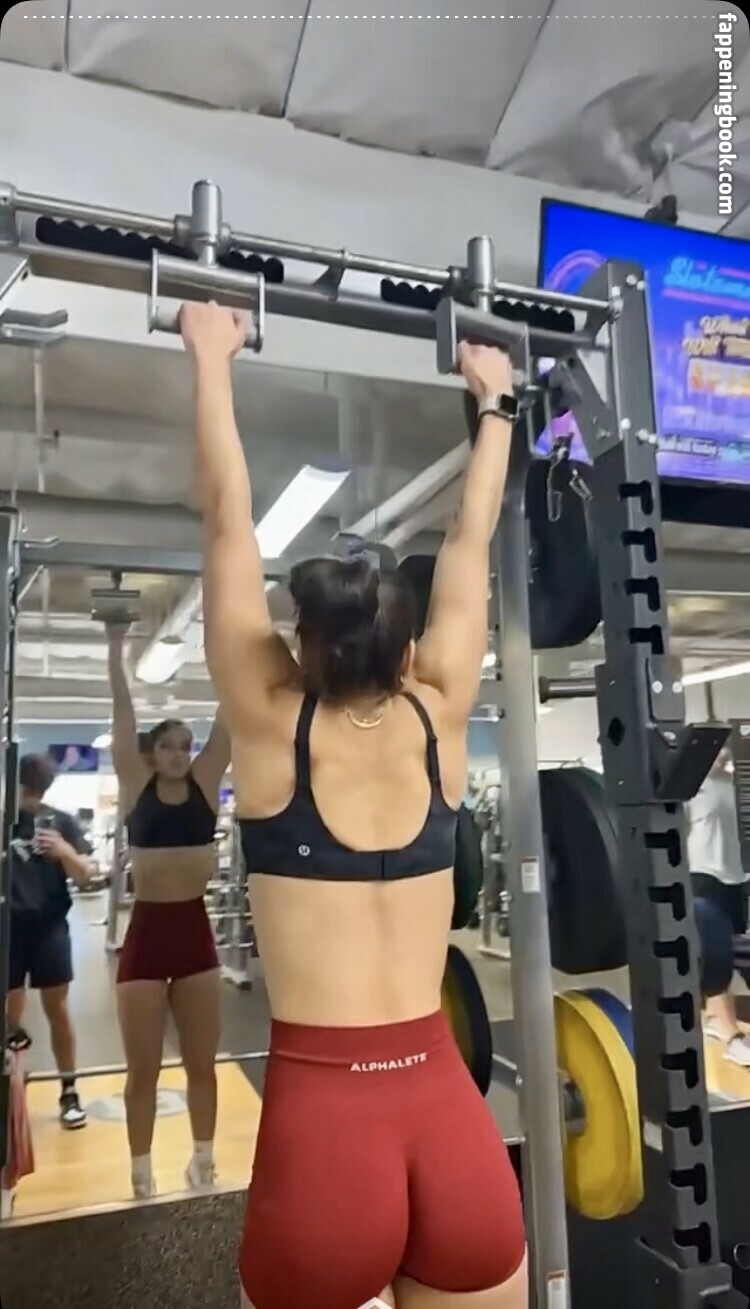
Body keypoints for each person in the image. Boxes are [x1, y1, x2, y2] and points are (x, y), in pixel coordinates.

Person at [180, 300, 526, 1309]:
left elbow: (227, 519)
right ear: (408, 654)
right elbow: (470, 543)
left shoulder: (268, 724)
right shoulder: (440, 712)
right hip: (451, 1126)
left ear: (302, 648)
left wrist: (212, 355)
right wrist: (496, 402)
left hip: (324, 1137)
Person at [106, 629, 230, 1199]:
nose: (179, 754)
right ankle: (140, 1174)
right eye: (169, 746)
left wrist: (235, 649)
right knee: (144, 1073)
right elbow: (123, 714)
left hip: (195, 937)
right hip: (147, 940)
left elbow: (229, 719)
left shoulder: (206, 783)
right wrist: (116, 649)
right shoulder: (138, 787)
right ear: (151, 754)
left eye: (185, 745)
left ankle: (203, 1162)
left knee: (203, 1065)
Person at [6, 754, 94, 1129]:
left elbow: (86, 874)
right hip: (8, 927)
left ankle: (69, 1090)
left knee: (56, 1009)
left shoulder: (61, 822)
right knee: (9, 1016)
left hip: (50, 927)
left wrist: (64, 851)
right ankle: (10, 1093)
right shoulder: (4, 820)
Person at [688, 744, 750, 1067]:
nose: (721, 755)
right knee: (716, 953)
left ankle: (718, 1021)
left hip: (736, 877)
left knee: (739, 951)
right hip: (703, 874)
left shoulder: (736, 786)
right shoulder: (692, 789)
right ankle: (730, 1035)